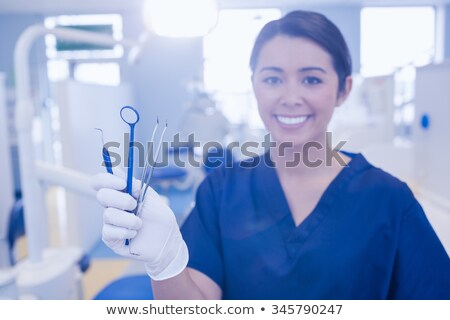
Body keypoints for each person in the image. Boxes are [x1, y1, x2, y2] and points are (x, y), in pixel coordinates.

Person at [92, 10, 450, 299]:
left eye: (311, 79)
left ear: (344, 89)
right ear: (254, 85)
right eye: (273, 78)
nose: (290, 97)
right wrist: (164, 260)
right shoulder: (221, 191)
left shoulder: (389, 201)